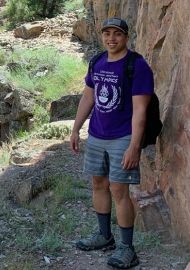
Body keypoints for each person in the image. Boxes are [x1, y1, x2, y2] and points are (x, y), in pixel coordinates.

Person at [70, 17, 154, 269]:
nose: (111, 39)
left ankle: (127, 248)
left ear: (125, 37)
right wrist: (76, 129)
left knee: (119, 190)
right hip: (97, 134)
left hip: (122, 138)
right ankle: (104, 236)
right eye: (107, 33)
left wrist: (134, 146)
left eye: (117, 34)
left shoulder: (136, 66)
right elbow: (88, 98)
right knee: (98, 184)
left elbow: (140, 111)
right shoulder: (97, 61)